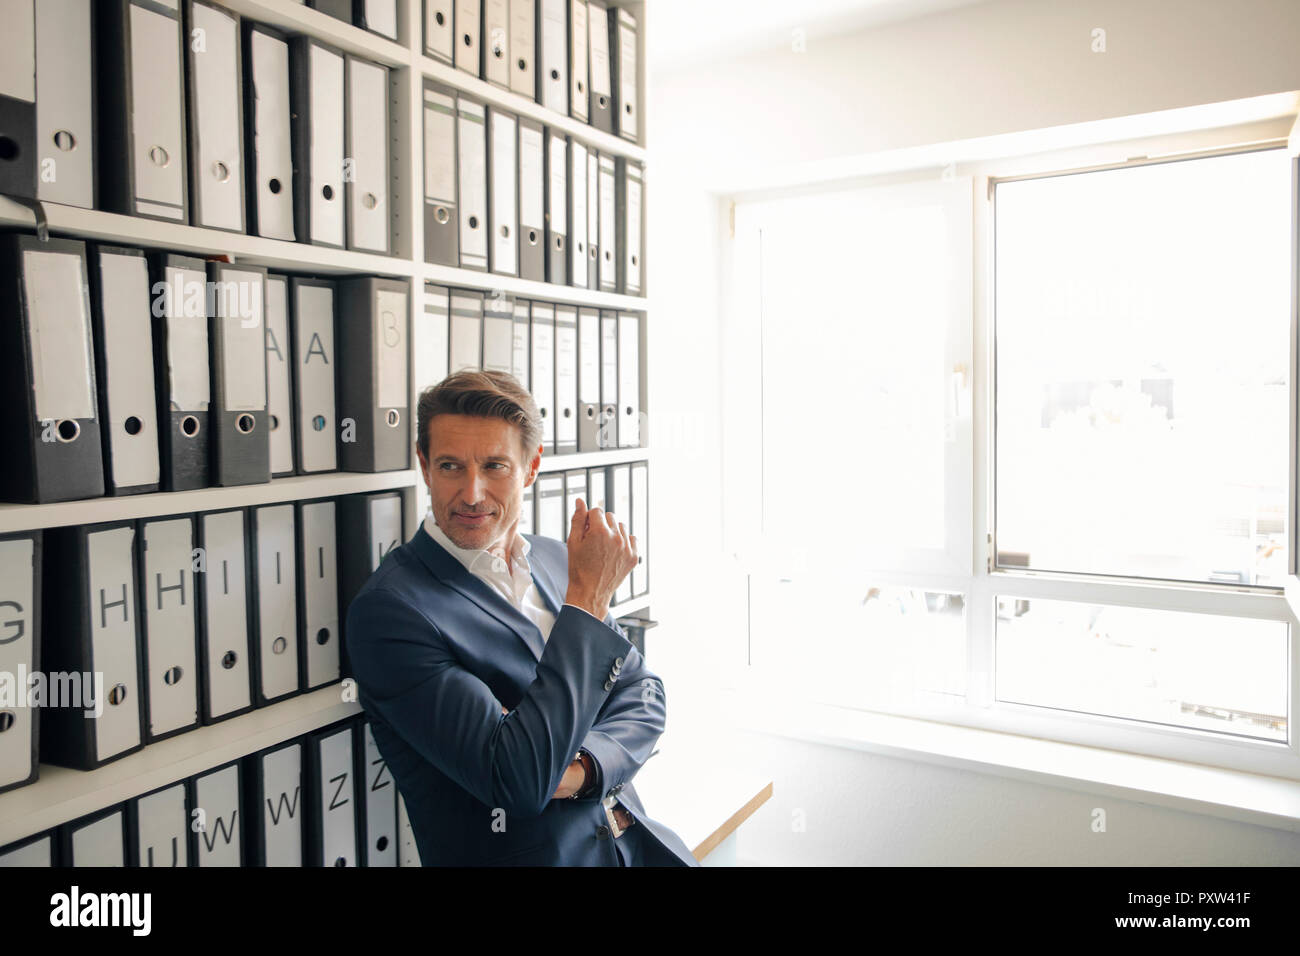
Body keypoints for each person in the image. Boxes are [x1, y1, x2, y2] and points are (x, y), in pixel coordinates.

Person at [345, 369, 697, 866]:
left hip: (636, 847)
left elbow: (645, 694)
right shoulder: (391, 612)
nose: (471, 493)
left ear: (531, 468)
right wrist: (586, 603)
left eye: (494, 466)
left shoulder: (558, 560)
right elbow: (519, 779)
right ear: (424, 466)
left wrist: (580, 771)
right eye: (450, 466)